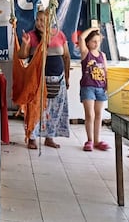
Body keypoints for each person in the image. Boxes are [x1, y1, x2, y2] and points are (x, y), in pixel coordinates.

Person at [17, 10, 70, 150]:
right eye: (38, 20)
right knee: (35, 109)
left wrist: (67, 77)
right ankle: (32, 138)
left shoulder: (59, 35)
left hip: (58, 80)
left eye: (42, 20)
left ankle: (49, 137)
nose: (39, 23)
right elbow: (22, 56)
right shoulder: (31, 36)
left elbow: (66, 57)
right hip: (37, 81)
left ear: (50, 21)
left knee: (54, 110)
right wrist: (24, 43)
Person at [78, 27, 109, 151]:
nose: (96, 44)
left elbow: (105, 71)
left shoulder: (102, 55)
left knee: (98, 114)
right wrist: (92, 29)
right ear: (88, 43)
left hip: (101, 88)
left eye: (98, 41)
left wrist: (107, 85)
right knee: (89, 114)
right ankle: (89, 140)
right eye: (93, 41)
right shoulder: (86, 53)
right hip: (88, 87)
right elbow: (81, 37)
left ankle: (97, 140)